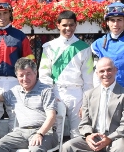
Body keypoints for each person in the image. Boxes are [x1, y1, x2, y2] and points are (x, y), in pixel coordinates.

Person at [38, 10, 94, 138]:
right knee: (55, 133)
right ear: (58, 25)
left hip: (77, 94)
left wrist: (86, 103)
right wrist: (50, 95)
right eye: (64, 25)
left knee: (78, 133)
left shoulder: (84, 47)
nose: (68, 28)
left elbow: (88, 78)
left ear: (75, 25)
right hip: (56, 92)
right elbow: (44, 75)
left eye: (71, 25)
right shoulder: (49, 47)